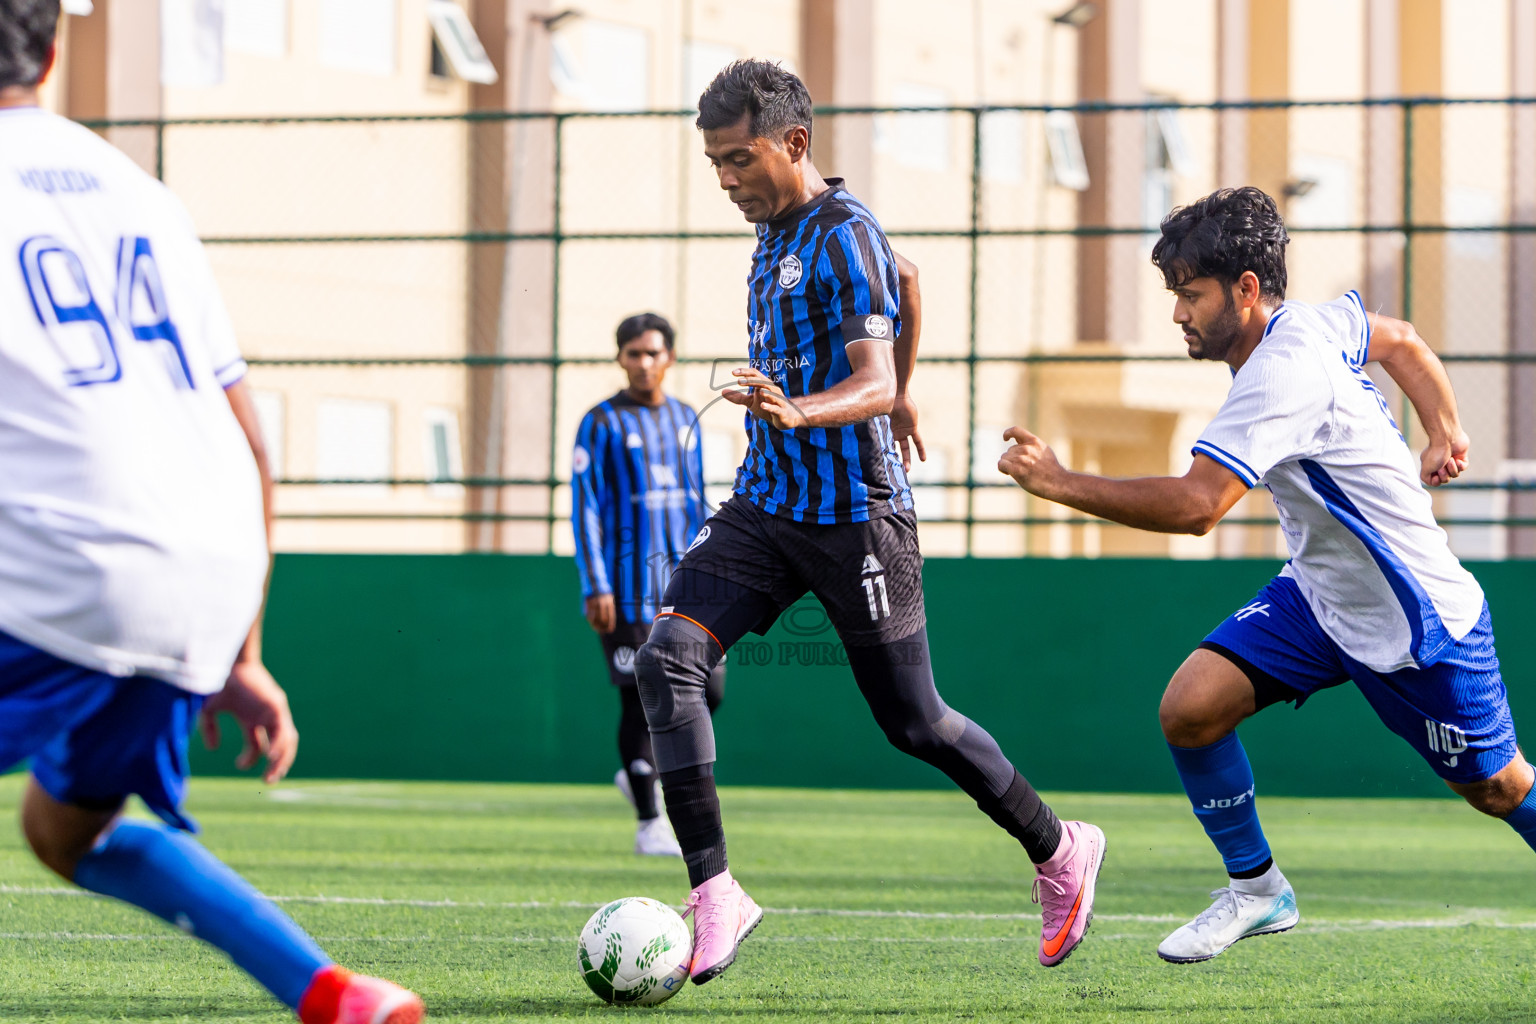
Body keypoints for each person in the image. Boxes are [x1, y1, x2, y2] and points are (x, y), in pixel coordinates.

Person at [633, 59, 1106, 985]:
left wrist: (840, 404)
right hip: (766, 506)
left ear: (794, 144)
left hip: (857, 519)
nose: (725, 180)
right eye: (715, 164)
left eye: (738, 160)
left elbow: (873, 370)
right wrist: (899, 394)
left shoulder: (845, 233)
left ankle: (1059, 849)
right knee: (667, 658)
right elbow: (912, 282)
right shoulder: (774, 229)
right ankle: (716, 891)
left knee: (915, 723)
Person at [0, 4, 423, 1020]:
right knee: (69, 831)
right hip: (206, 567)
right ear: (55, 52)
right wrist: (239, 650)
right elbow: (249, 436)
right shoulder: (143, 195)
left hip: (63, 562)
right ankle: (331, 991)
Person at [998, 185, 1536, 964]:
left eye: (1192, 294)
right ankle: (1258, 891)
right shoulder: (1315, 322)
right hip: (1322, 596)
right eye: (1176, 294)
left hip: (1415, 621)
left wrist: (1058, 481)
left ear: (1246, 291)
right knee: (1190, 709)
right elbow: (1405, 340)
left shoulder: (1279, 373)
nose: (1179, 313)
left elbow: (1195, 507)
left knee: (1500, 790)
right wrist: (1445, 430)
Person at [572, 312, 724, 857]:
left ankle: (643, 774)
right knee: (643, 703)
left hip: (683, 586)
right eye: (633, 353)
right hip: (626, 587)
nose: (643, 363)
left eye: (652, 353)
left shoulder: (687, 418)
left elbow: (696, 497)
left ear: (670, 359)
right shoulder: (601, 423)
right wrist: (596, 584)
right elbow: (585, 505)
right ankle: (647, 820)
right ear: (620, 359)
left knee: (710, 691)